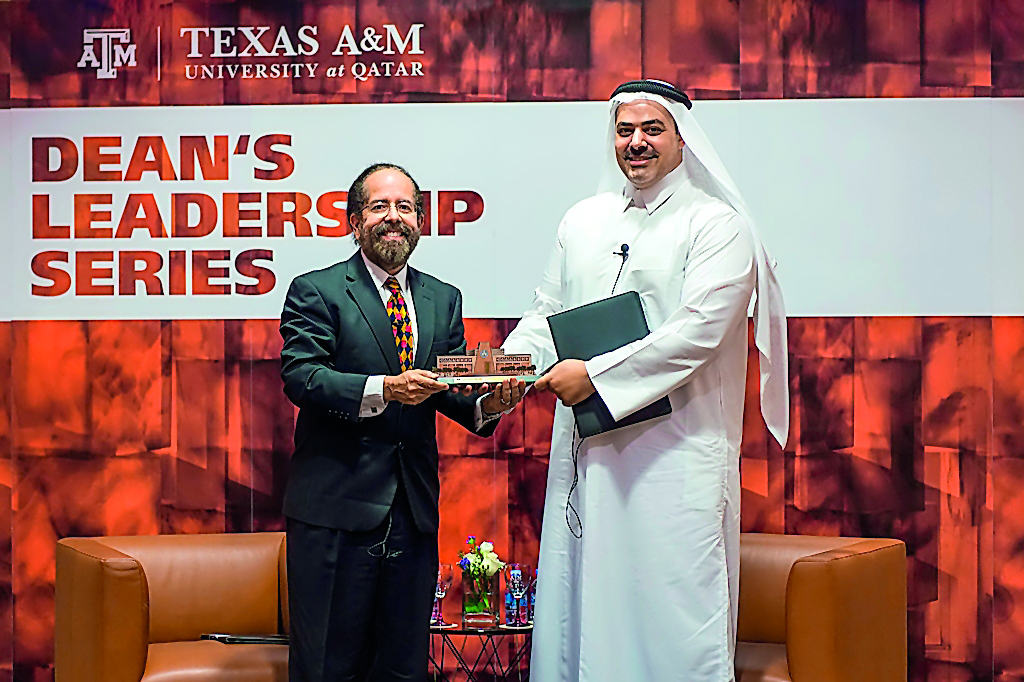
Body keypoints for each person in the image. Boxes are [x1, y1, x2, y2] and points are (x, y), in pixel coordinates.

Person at [501, 80, 790, 681]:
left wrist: (596, 377)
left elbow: (698, 331)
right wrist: (511, 365)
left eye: (652, 130)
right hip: (588, 451)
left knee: (672, 614)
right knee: (582, 602)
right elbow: (545, 310)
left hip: (673, 458)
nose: (637, 143)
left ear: (682, 140)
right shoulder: (583, 220)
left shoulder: (718, 225)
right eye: (625, 130)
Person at [279, 162, 525, 682]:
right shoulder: (317, 290)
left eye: (406, 207)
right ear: (354, 221)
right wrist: (385, 390)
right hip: (335, 515)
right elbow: (302, 377)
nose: (394, 219)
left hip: (412, 517)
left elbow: (451, 390)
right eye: (380, 207)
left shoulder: (442, 297)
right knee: (328, 666)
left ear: (420, 221)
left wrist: (493, 403)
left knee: (404, 668)